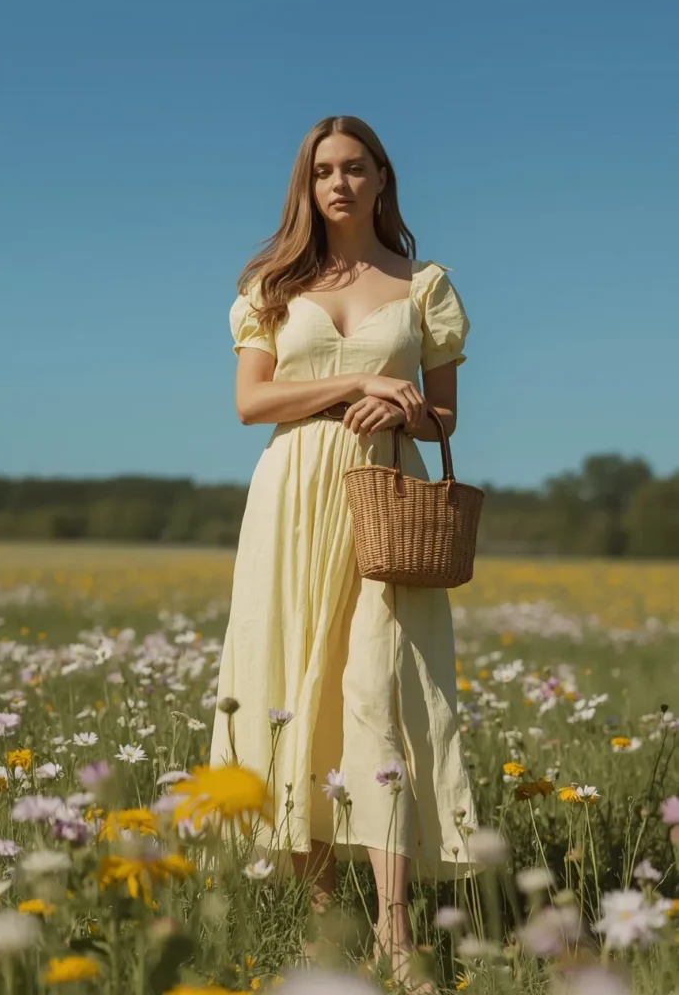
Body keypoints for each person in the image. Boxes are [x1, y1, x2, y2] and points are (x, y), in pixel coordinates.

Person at [211, 115, 478, 985]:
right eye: (323, 169)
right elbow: (253, 403)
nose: (338, 183)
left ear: (380, 179)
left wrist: (401, 407)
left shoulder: (422, 283)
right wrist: (360, 378)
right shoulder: (271, 284)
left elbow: (443, 417)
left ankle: (396, 936)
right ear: (306, 183)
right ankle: (326, 927)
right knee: (294, 689)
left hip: (383, 500)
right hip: (291, 497)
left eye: (354, 168)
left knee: (378, 695)